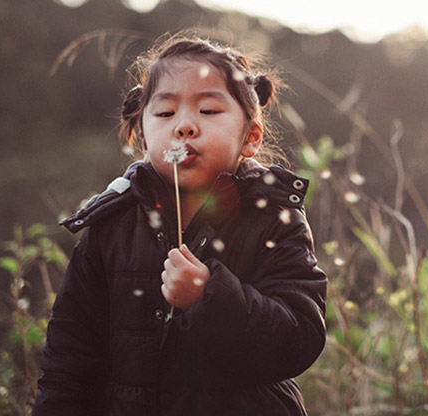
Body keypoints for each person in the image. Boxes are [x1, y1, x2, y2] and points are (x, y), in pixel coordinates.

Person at [34, 33, 327, 415]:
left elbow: (298, 339)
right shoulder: (112, 225)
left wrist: (210, 294)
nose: (185, 126)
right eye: (165, 113)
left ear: (251, 138)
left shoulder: (273, 218)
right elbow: (70, 357)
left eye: (208, 111)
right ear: (142, 136)